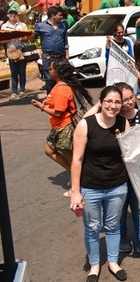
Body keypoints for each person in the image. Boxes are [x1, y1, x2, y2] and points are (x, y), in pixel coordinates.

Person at [82, 83, 140, 260]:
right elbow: (85, 120)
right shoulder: (112, 116)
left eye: (131, 98)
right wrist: (102, 103)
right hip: (117, 176)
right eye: (124, 99)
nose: (128, 102)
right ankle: (121, 239)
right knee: (119, 211)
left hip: (137, 174)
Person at [69, 86, 130, 282]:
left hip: (117, 187)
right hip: (91, 187)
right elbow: (76, 160)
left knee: (113, 227)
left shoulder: (123, 122)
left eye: (117, 102)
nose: (113, 106)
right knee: (92, 229)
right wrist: (76, 193)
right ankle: (94, 264)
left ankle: (113, 262)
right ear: (101, 102)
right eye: (109, 102)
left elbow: (127, 154)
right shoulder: (86, 125)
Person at [31, 59, 93, 196]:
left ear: (58, 72)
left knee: (73, 159)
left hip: (64, 128)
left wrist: (41, 107)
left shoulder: (62, 89)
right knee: (49, 150)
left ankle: (78, 186)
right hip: (57, 128)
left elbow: (58, 112)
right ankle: (74, 175)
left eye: (51, 69)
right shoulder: (59, 86)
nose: (49, 71)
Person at [34, 6, 70, 93]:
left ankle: (62, 98)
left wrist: (67, 54)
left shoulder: (64, 25)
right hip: (48, 57)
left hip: (61, 57)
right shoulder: (40, 26)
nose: (61, 17)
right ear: (53, 15)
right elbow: (32, 36)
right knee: (49, 79)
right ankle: (51, 99)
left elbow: (65, 40)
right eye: (60, 15)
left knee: (63, 78)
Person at [2, 9, 29, 100]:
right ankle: (13, 92)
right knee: (13, 73)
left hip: (21, 50)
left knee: (22, 72)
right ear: (8, 15)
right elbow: (3, 40)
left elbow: (27, 38)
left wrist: (19, 35)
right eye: (11, 13)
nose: (13, 15)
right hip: (11, 51)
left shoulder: (22, 25)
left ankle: (22, 91)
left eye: (14, 13)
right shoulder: (4, 26)